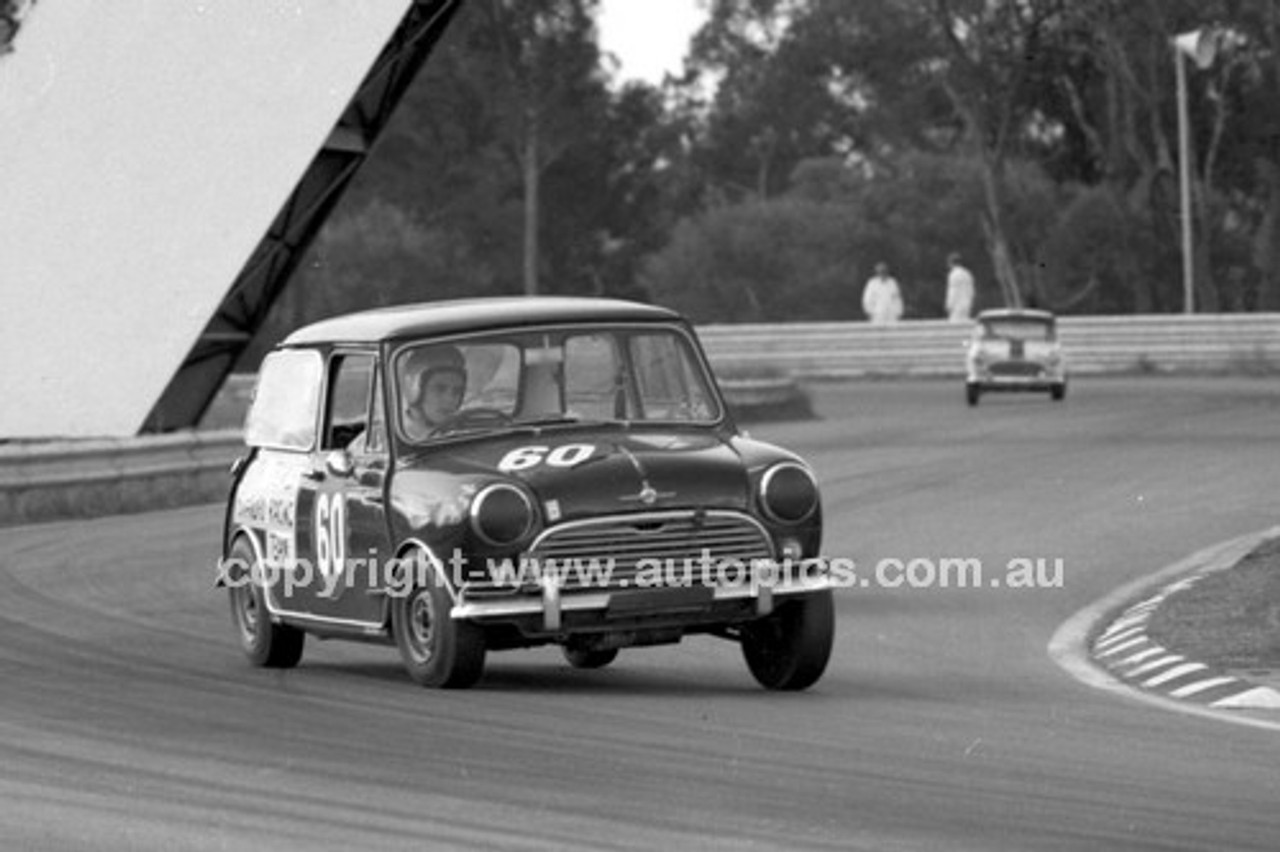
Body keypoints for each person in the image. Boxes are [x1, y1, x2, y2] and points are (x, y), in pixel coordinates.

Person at [400, 345, 467, 439]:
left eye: (457, 391)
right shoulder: (392, 438)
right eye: (439, 389)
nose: (450, 399)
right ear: (413, 388)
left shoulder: (465, 433)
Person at [945, 252, 975, 323]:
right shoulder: (967, 273)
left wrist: (949, 305)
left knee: (954, 326)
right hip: (967, 304)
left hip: (956, 305)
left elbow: (953, 291)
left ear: (951, 263)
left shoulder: (953, 274)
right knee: (965, 324)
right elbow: (971, 291)